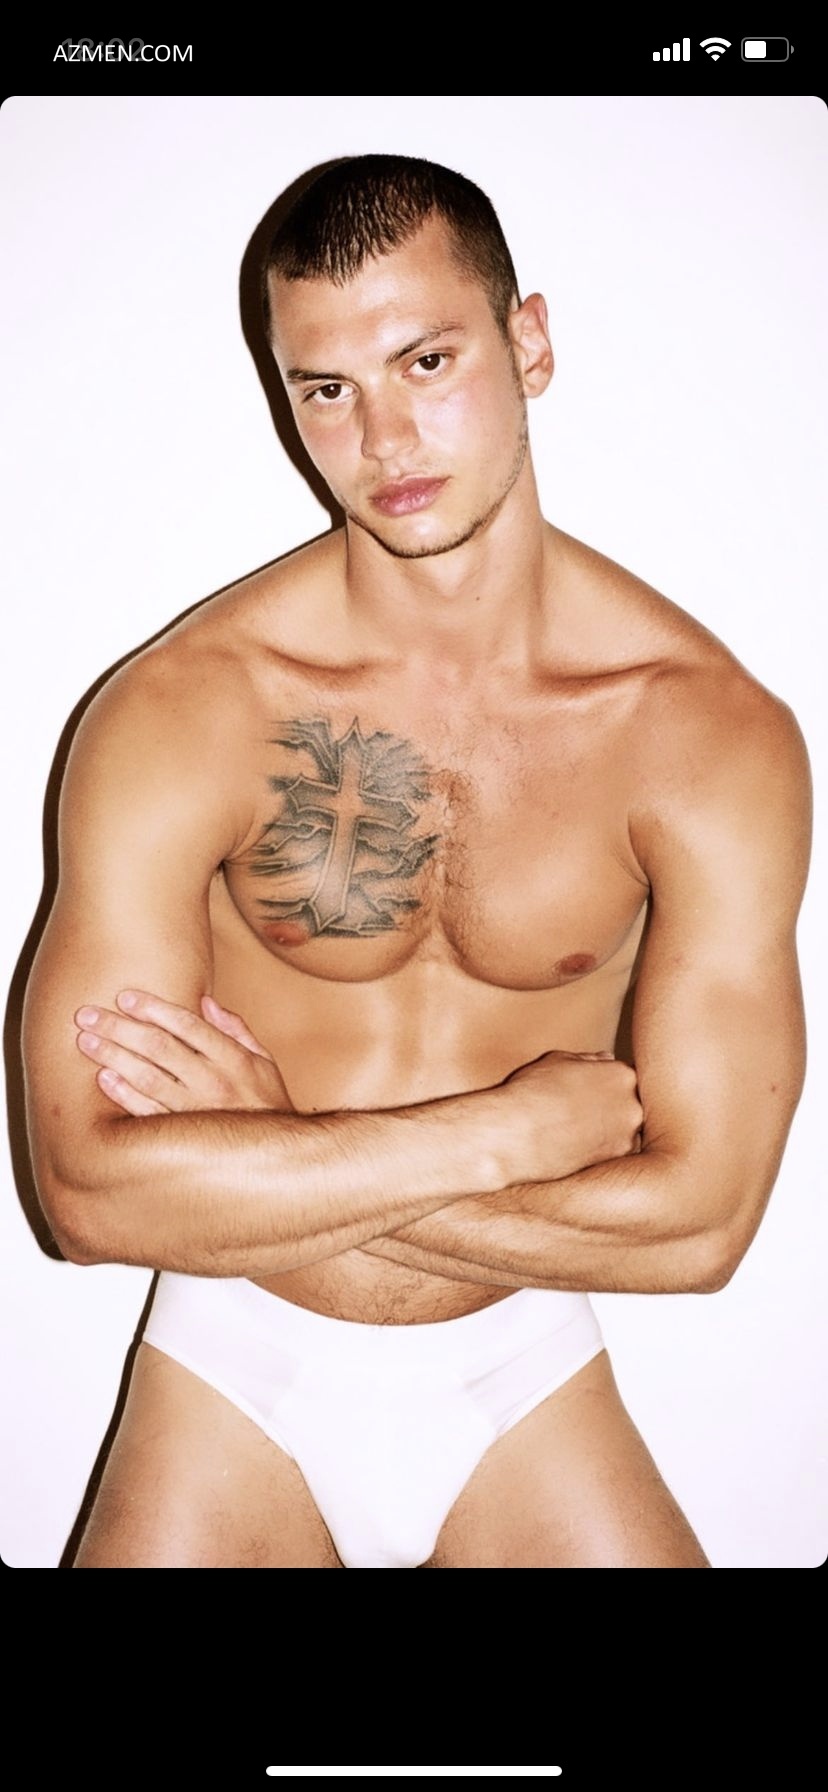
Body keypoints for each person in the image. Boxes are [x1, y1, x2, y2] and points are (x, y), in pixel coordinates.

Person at [21, 154, 810, 1570]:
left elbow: (701, 1233)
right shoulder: (186, 710)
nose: (383, 438)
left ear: (530, 343)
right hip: (229, 1369)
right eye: (326, 388)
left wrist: (281, 1151)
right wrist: (495, 1134)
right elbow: (86, 1198)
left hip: (522, 1376)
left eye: (426, 361)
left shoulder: (700, 734)